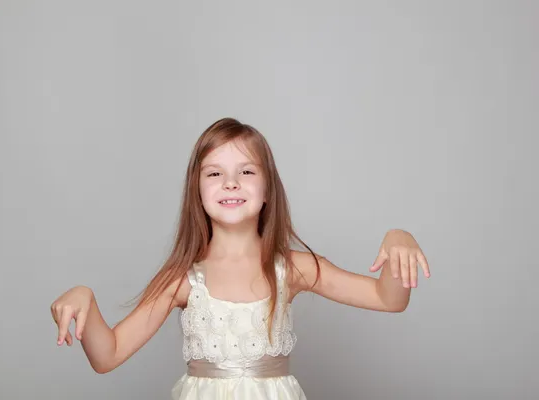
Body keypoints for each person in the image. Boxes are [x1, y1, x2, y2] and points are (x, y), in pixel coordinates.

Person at [50, 117, 431, 399]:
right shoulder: (182, 279)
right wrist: (86, 298)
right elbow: (108, 355)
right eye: (214, 173)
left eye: (246, 171)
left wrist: (400, 239)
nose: (230, 182)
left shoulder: (293, 268)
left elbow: (389, 299)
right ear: (197, 191)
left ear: (268, 190)